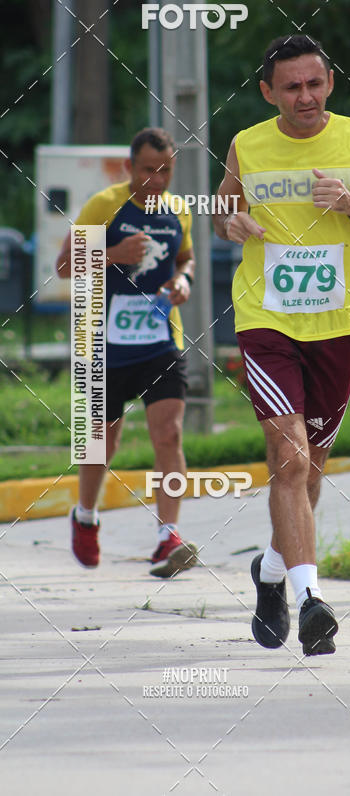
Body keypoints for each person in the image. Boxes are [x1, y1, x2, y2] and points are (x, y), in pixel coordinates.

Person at [213, 35, 350, 655]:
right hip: (266, 323)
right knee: (291, 460)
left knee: (311, 473)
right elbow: (222, 213)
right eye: (291, 86)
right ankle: (311, 601)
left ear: (329, 83)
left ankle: (271, 573)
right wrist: (231, 222)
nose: (305, 96)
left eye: (314, 83)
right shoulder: (247, 145)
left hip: (336, 328)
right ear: (268, 92)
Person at [56, 127, 199, 578]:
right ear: (128, 167)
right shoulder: (105, 205)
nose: (157, 180)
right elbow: (64, 265)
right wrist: (113, 252)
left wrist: (183, 281)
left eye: (166, 171)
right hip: (101, 345)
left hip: (161, 342)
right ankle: (85, 516)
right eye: (148, 170)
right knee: (101, 441)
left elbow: (185, 258)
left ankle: (168, 536)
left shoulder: (178, 210)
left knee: (169, 435)